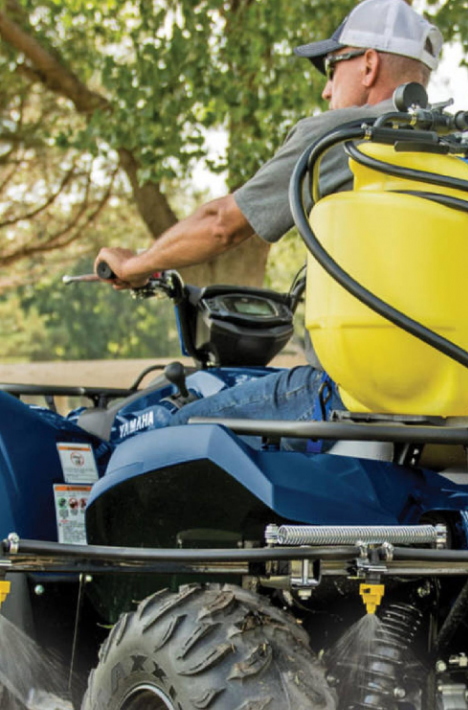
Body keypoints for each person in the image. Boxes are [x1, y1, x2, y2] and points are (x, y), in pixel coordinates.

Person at [94, 0, 443, 430]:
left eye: (331, 69)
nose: (326, 91)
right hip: (455, 392)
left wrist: (135, 264)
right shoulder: (463, 145)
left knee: (165, 430)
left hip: (354, 391)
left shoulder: (349, 135)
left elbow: (222, 225)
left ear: (368, 65)